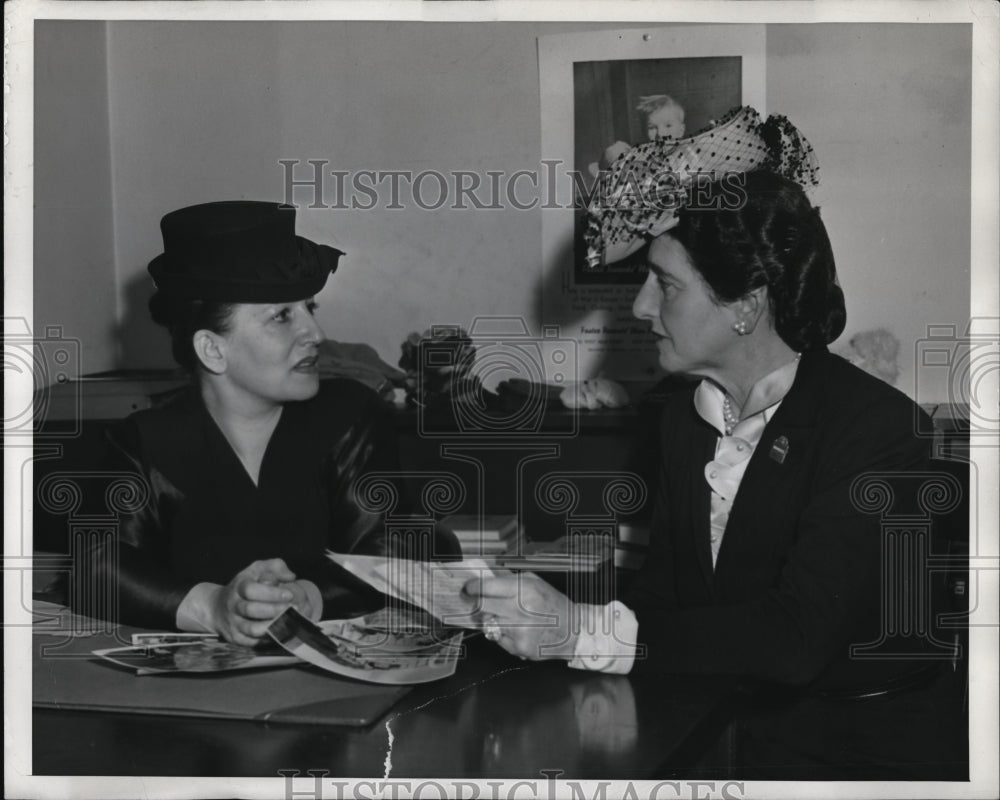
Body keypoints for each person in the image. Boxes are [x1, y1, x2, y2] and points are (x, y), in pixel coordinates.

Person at [466, 108, 965, 779]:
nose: (641, 308)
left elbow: (794, 640)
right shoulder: (682, 421)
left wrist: (581, 631)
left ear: (745, 307)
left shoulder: (878, 432)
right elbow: (663, 609)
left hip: (864, 755)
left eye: (665, 285)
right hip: (724, 725)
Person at [72, 201, 459, 646]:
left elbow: (388, 547)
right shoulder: (144, 442)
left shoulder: (349, 416)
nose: (315, 333)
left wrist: (309, 595)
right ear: (213, 350)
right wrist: (214, 606)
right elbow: (96, 565)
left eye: (309, 308)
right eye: (282, 316)